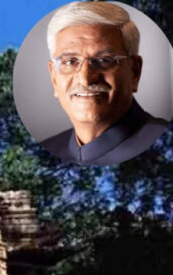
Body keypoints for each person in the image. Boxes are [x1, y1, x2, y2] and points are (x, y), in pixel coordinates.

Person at [41, 2, 167, 166]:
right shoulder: (47, 150)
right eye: (70, 61)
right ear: (54, 78)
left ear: (134, 72)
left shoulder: (164, 145)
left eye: (104, 60)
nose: (85, 78)